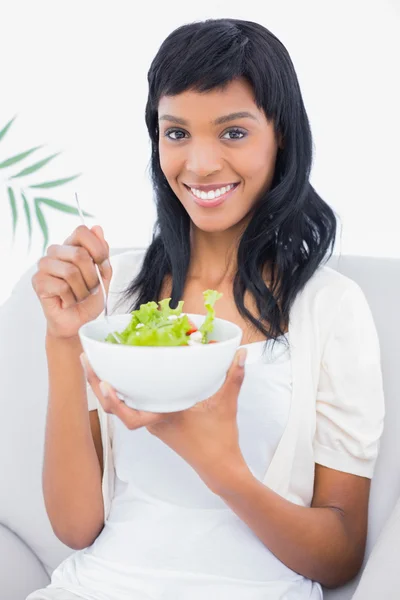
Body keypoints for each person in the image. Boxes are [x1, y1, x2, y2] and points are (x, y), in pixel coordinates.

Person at [28, 17, 385, 600]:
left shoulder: (331, 309)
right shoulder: (118, 298)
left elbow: (340, 555)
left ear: (282, 136)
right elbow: (76, 527)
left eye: (233, 133)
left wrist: (220, 466)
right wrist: (66, 340)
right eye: (176, 133)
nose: (199, 165)